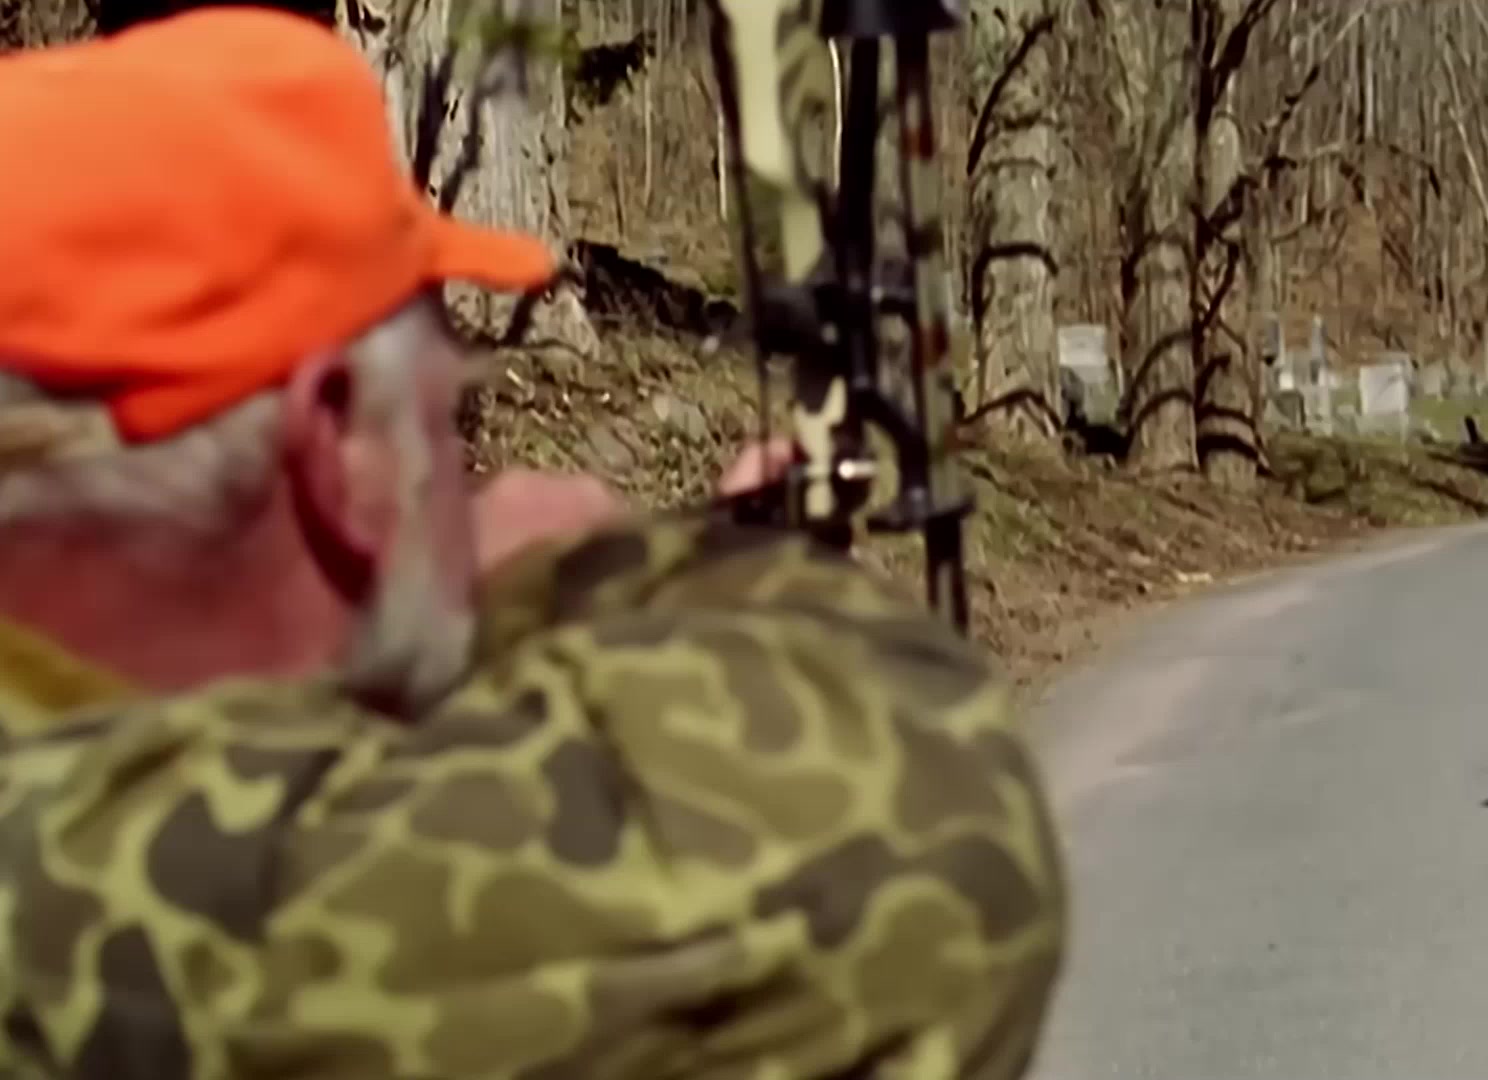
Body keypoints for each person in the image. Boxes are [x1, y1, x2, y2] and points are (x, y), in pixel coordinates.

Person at [0, 9, 1066, 1077]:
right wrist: (585, 578)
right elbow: (938, 818)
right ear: (342, 452)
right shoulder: (114, 885)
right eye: (445, 419)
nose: (469, 480)